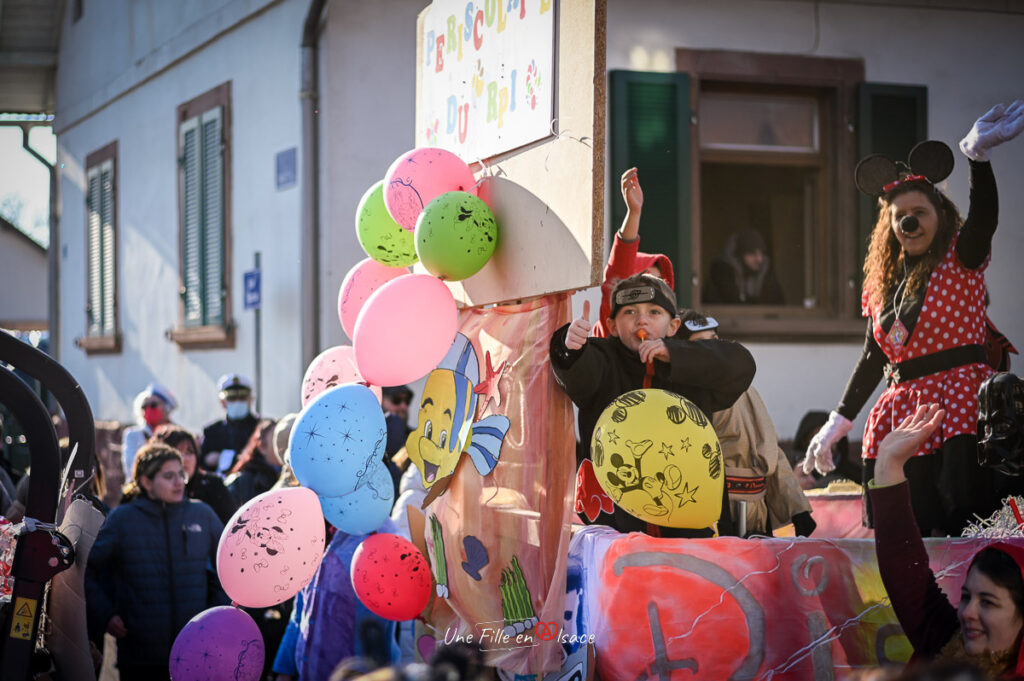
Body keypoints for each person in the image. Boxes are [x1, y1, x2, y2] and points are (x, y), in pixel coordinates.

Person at [804, 101, 1024, 536]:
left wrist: (977, 159)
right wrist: (836, 423)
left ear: (940, 217)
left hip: (959, 407)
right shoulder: (881, 286)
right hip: (901, 413)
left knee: (965, 526)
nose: (909, 221)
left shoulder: (962, 256)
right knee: (908, 533)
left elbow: (985, 220)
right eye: (899, 216)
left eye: (919, 212)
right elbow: (872, 358)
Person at [550, 273, 755, 536]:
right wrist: (570, 347)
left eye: (654, 312)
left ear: (673, 326)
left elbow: (742, 365)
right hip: (614, 530)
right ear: (612, 326)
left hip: (690, 529)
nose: (641, 319)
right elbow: (577, 373)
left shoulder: (692, 364)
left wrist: (674, 354)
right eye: (630, 312)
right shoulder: (602, 358)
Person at [871, 403, 1024, 679]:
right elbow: (906, 575)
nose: (967, 613)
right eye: (965, 597)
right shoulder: (946, 643)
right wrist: (888, 465)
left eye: (988, 602)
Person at [85, 443, 226, 681]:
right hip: (141, 657)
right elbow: (86, 569)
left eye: (181, 474)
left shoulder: (203, 515)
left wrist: (215, 617)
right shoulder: (123, 520)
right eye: (168, 476)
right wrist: (105, 614)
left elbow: (228, 569)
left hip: (197, 650)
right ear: (146, 482)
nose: (179, 482)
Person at [680, 310, 815, 537]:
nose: (711, 351)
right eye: (700, 345)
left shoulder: (747, 389)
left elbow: (773, 451)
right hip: (716, 512)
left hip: (757, 510)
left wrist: (797, 507)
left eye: (714, 341)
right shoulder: (689, 394)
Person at [272, 521, 401, 681]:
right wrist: (285, 670)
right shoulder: (318, 527)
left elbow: (380, 630)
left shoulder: (383, 536)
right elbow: (300, 610)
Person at [595, 167, 675, 339]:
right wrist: (633, 213)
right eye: (643, 285)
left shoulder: (672, 348)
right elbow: (619, 270)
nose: (652, 293)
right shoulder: (613, 332)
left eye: (659, 284)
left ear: (673, 326)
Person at [151, 425, 237, 523]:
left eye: (189, 452)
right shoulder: (152, 491)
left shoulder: (213, 486)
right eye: (177, 453)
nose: (184, 459)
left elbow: (232, 528)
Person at [704, 228, 784, 305]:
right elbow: (731, 303)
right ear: (740, 254)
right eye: (752, 253)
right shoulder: (722, 270)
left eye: (761, 253)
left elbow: (778, 302)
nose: (759, 259)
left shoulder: (765, 269)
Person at [200, 373, 260, 473]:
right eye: (232, 398)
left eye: (242, 398)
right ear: (223, 402)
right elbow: (200, 463)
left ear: (250, 400)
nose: (237, 402)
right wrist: (208, 460)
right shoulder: (211, 431)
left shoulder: (261, 428)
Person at [122, 382, 177, 478]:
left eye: (153, 405)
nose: (148, 409)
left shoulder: (176, 434)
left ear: (166, 408)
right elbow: (131, 467)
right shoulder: (134, 435)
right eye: (144, 406)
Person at [224, 418, 281, 505]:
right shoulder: (241, 483)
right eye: (277, 439)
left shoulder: (295, 476)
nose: (284, 444)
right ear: (261, 446)